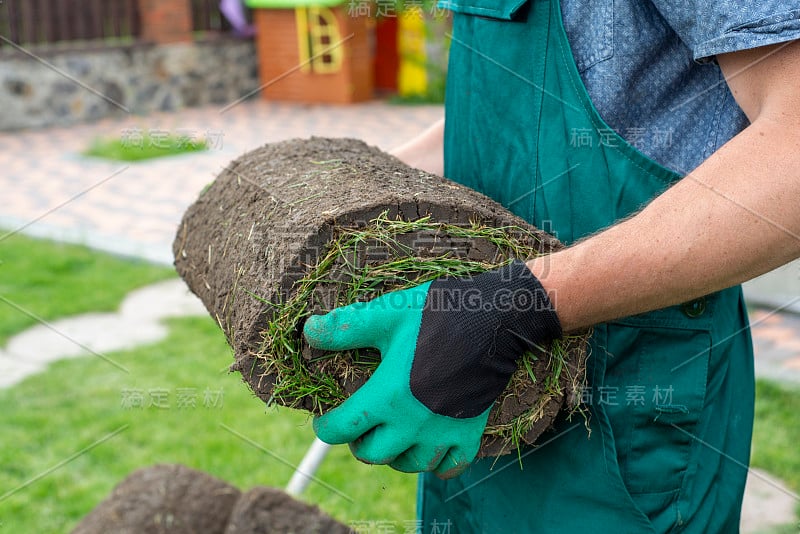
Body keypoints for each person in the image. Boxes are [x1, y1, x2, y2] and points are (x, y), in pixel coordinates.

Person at [303, 0, 800, 531]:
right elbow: (503, 117)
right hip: (466, 383)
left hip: (620, 415)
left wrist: (513, 309)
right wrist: (355, 192)